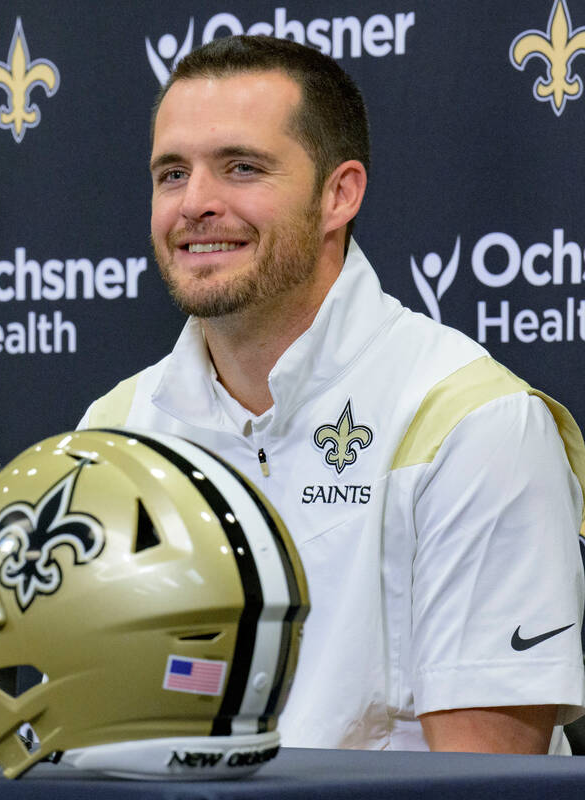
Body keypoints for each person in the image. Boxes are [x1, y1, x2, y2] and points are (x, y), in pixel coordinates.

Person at [80, 35, 585, 753]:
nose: (195, 204)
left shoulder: (473, 421)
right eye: (171, 174)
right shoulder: (114, 429)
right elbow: (95, 736)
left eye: (241, 168)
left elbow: (485, 779)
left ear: (338, 195)